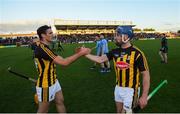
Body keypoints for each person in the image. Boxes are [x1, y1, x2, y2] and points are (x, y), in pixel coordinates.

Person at [85, 26, 150, 113]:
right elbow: (100, 59)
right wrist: (84, 54)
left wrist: (144, 95)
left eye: (118, 35)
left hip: (131, 90)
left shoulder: (138, 53)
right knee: (118, 112)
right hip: (118, 88)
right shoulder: (115, 51)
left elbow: (146, 75)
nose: (115, 37)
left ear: (126, 37)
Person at [34, 25, 90, 113]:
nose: (53, 34)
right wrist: (81, 53)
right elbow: (64, 62)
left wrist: (77, 53)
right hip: (46, 85)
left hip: (54, 81)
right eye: (50, 33)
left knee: (60, 101)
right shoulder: (43, 49)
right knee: (43, 111)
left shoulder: (46, 48)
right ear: (43, 35)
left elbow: (63, 63)